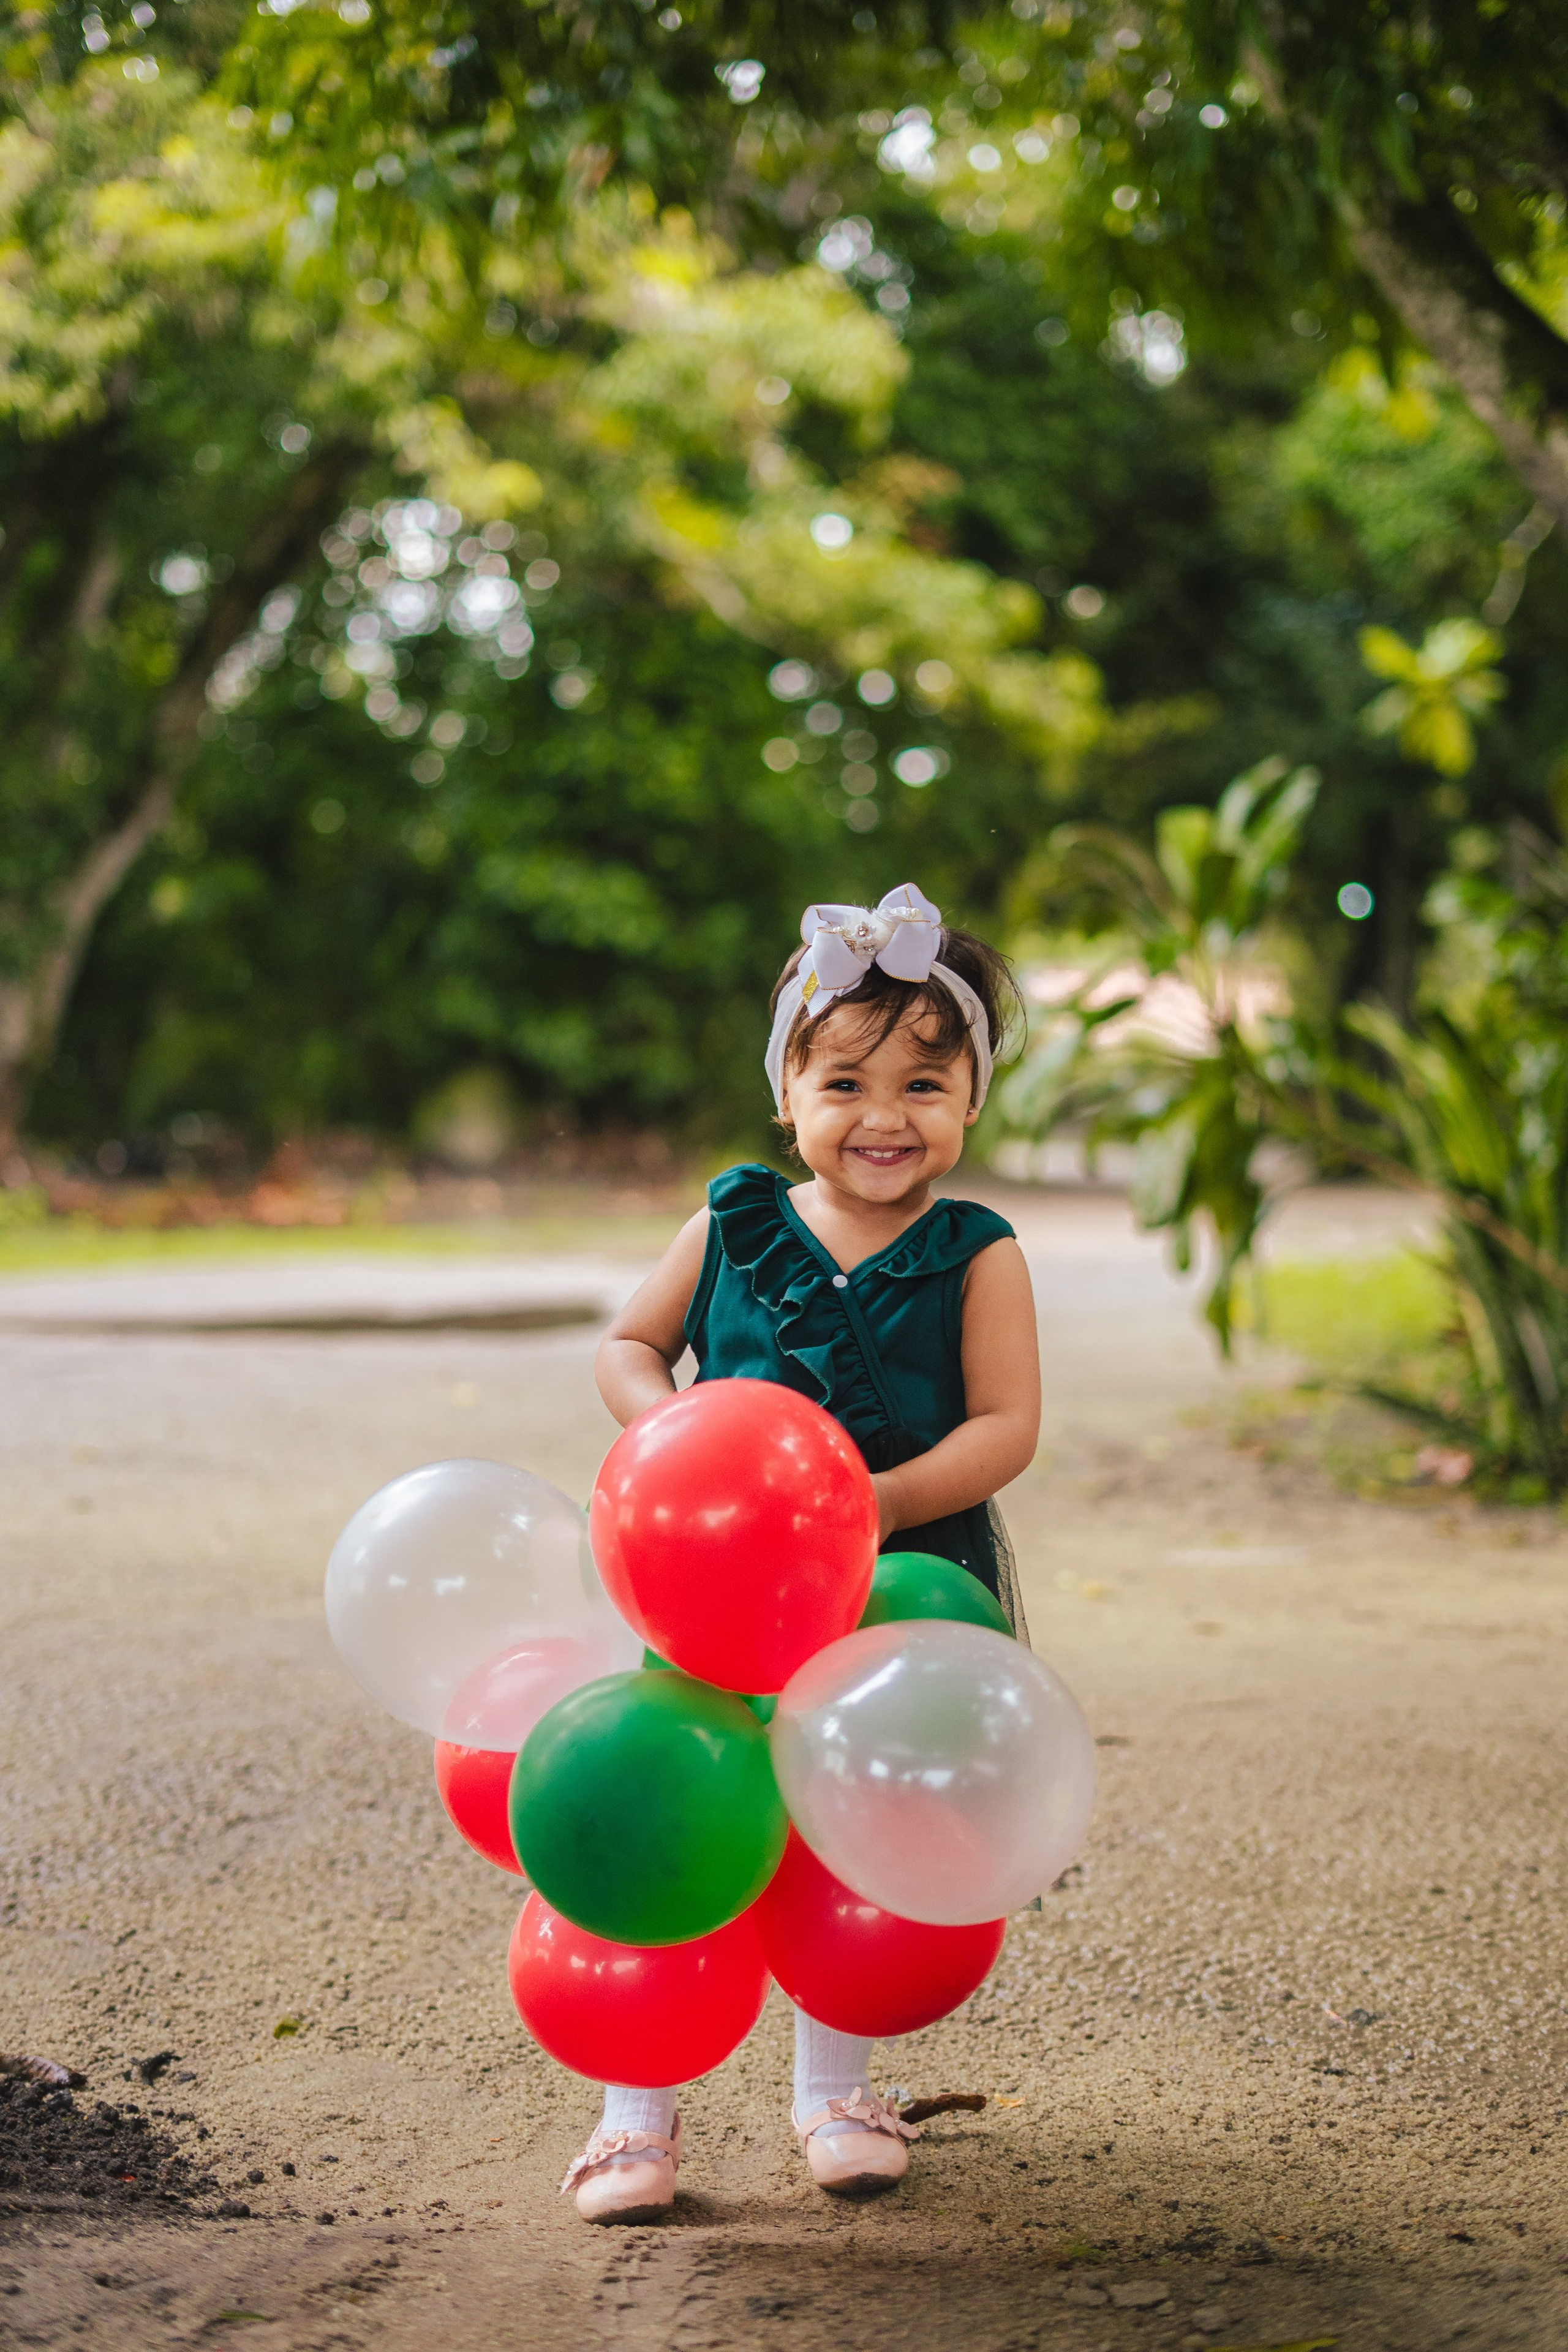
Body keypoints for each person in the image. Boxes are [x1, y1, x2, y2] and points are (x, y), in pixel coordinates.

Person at [565, 883, 1042, 2223]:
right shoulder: (731, 1225)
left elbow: (1006, 1426)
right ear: (786, 1094)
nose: (884, 1116)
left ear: (971, 1100)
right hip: (717, 1587)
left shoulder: (977, 1253)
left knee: (855, 1828)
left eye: (924, 1084)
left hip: (890, 1578)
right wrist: (675, 1438)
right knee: (680, 1808)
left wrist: (879, 1503)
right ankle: (633, 2108)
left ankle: (834, 2091)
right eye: (843, 1082)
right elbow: (629, 1346)